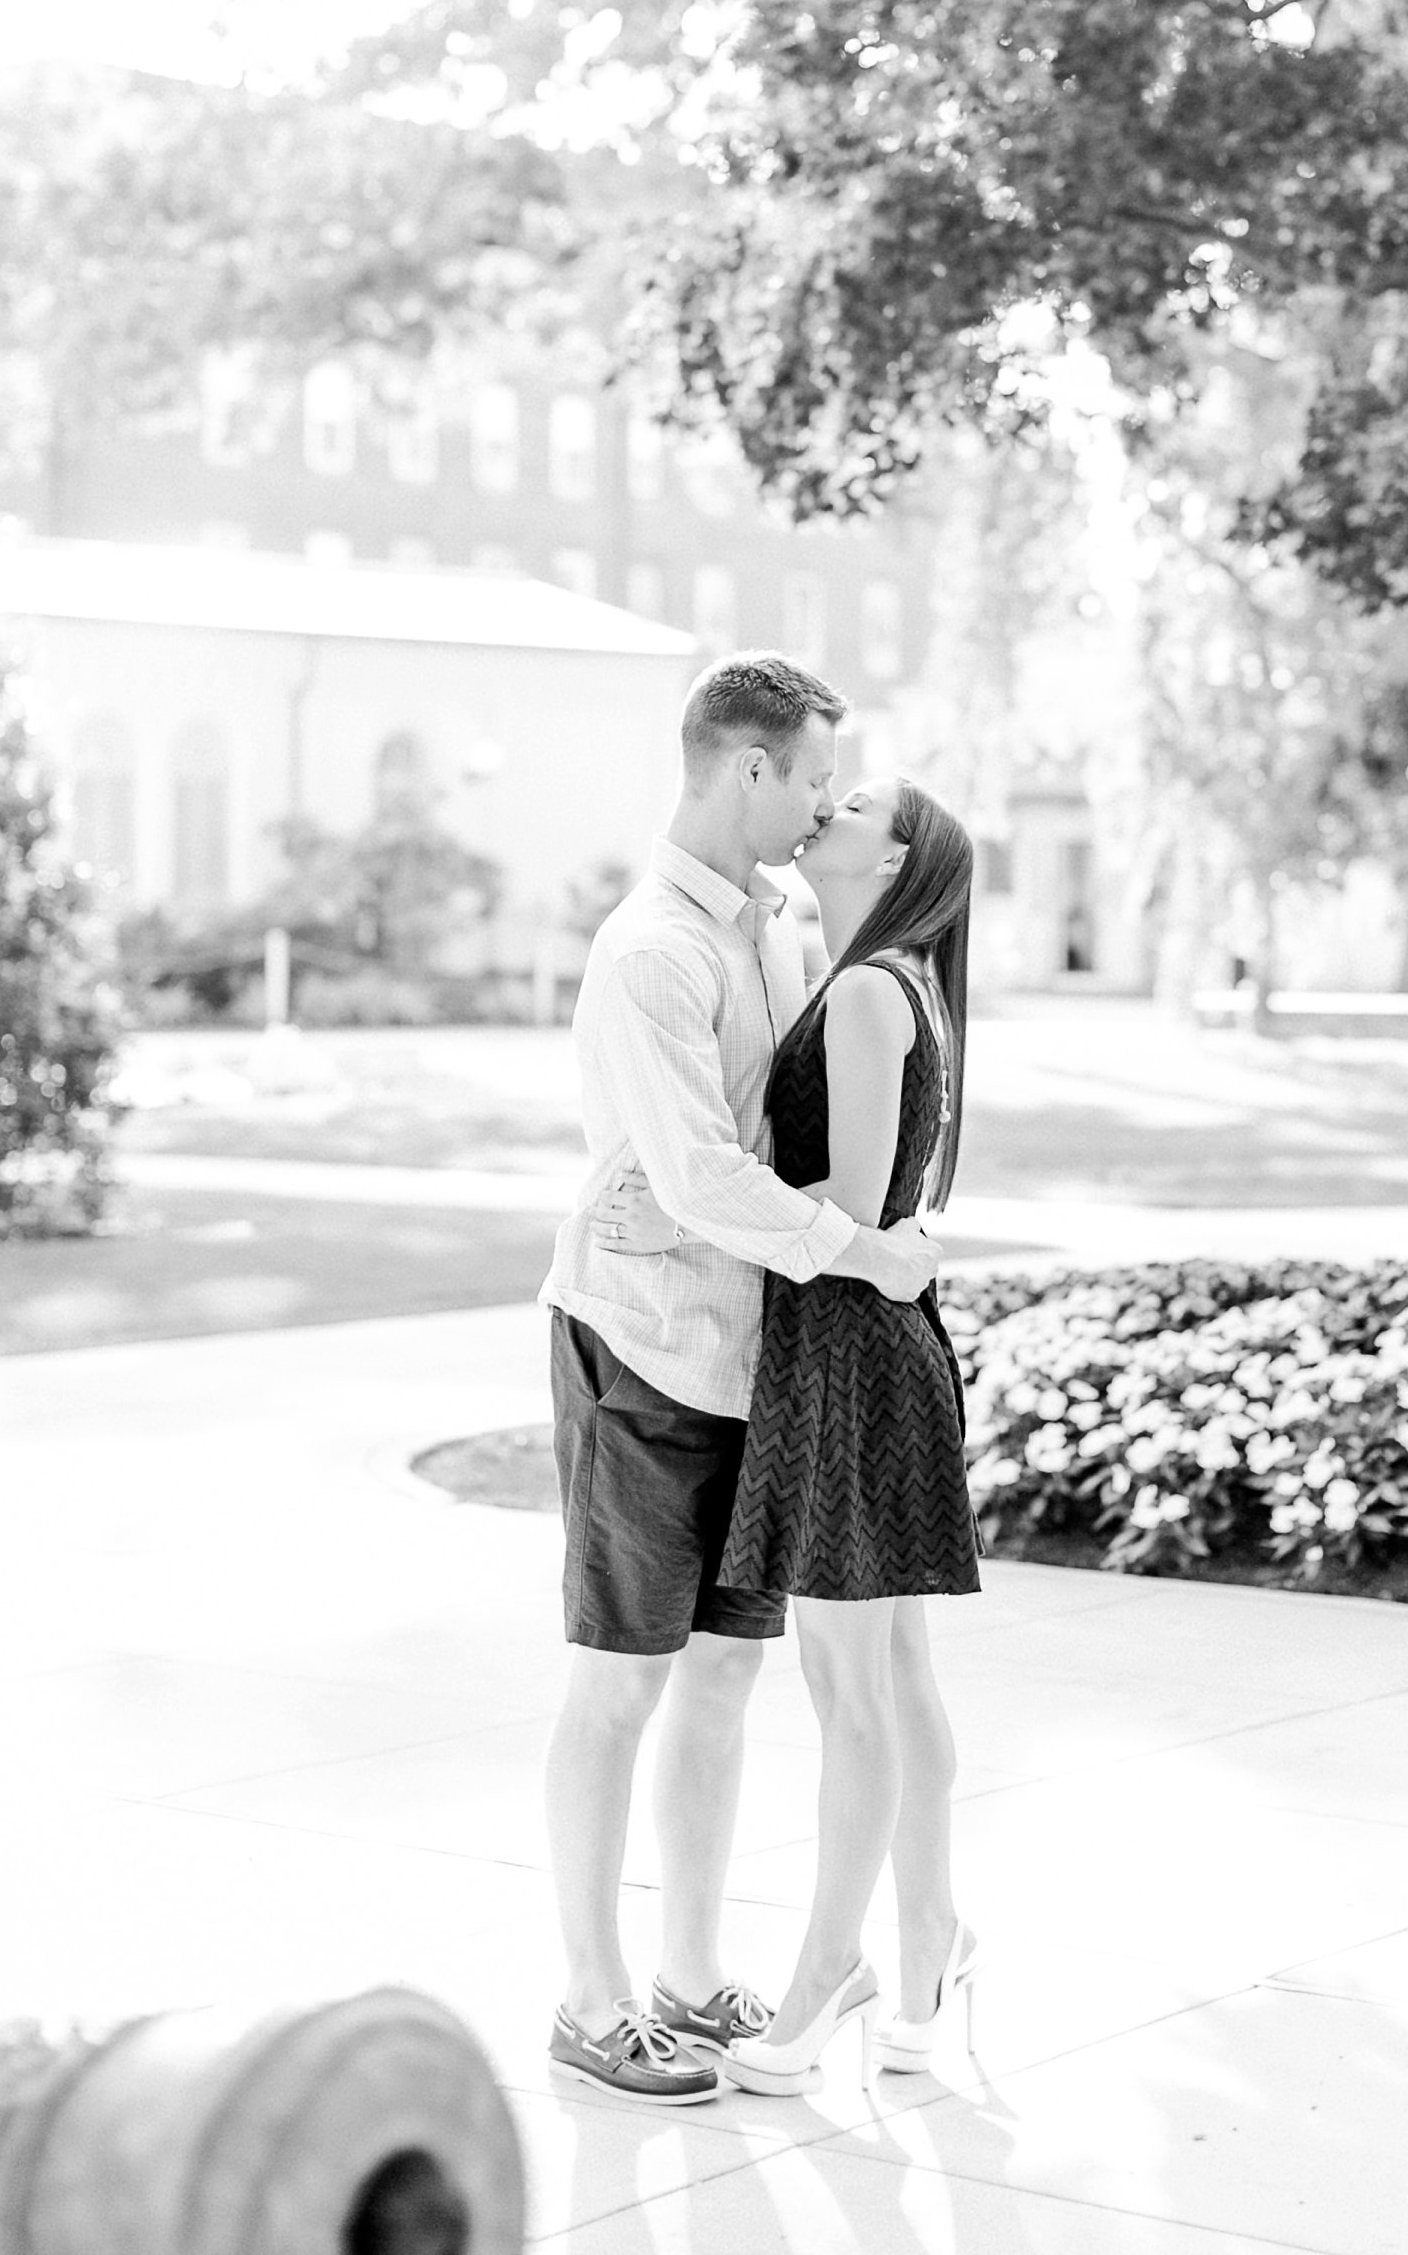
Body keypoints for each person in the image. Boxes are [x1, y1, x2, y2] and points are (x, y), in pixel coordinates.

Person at [539, 656, 943, 2105]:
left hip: (756, 1363)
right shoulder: (651, 951)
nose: (827, 803)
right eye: (814, 777)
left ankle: (691, 1977)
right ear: (748, 770)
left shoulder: (779, 916)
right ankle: (590, 2002)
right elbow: (703, 1176)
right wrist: (859, 1251)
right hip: (642, 1344)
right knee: (616, 1686)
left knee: (720, 1681)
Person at [715, 773, 983, 2098]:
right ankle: (928, 1935)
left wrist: (701, 1184)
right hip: (862, 1352)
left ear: (901, 854)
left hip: (852, 1360)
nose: (832, 803)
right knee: (898, 1682)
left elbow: (858, 1207)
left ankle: (833, 1970)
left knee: (851, 1697)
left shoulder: (876, 992)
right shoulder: (879, 980)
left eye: (861, 800)